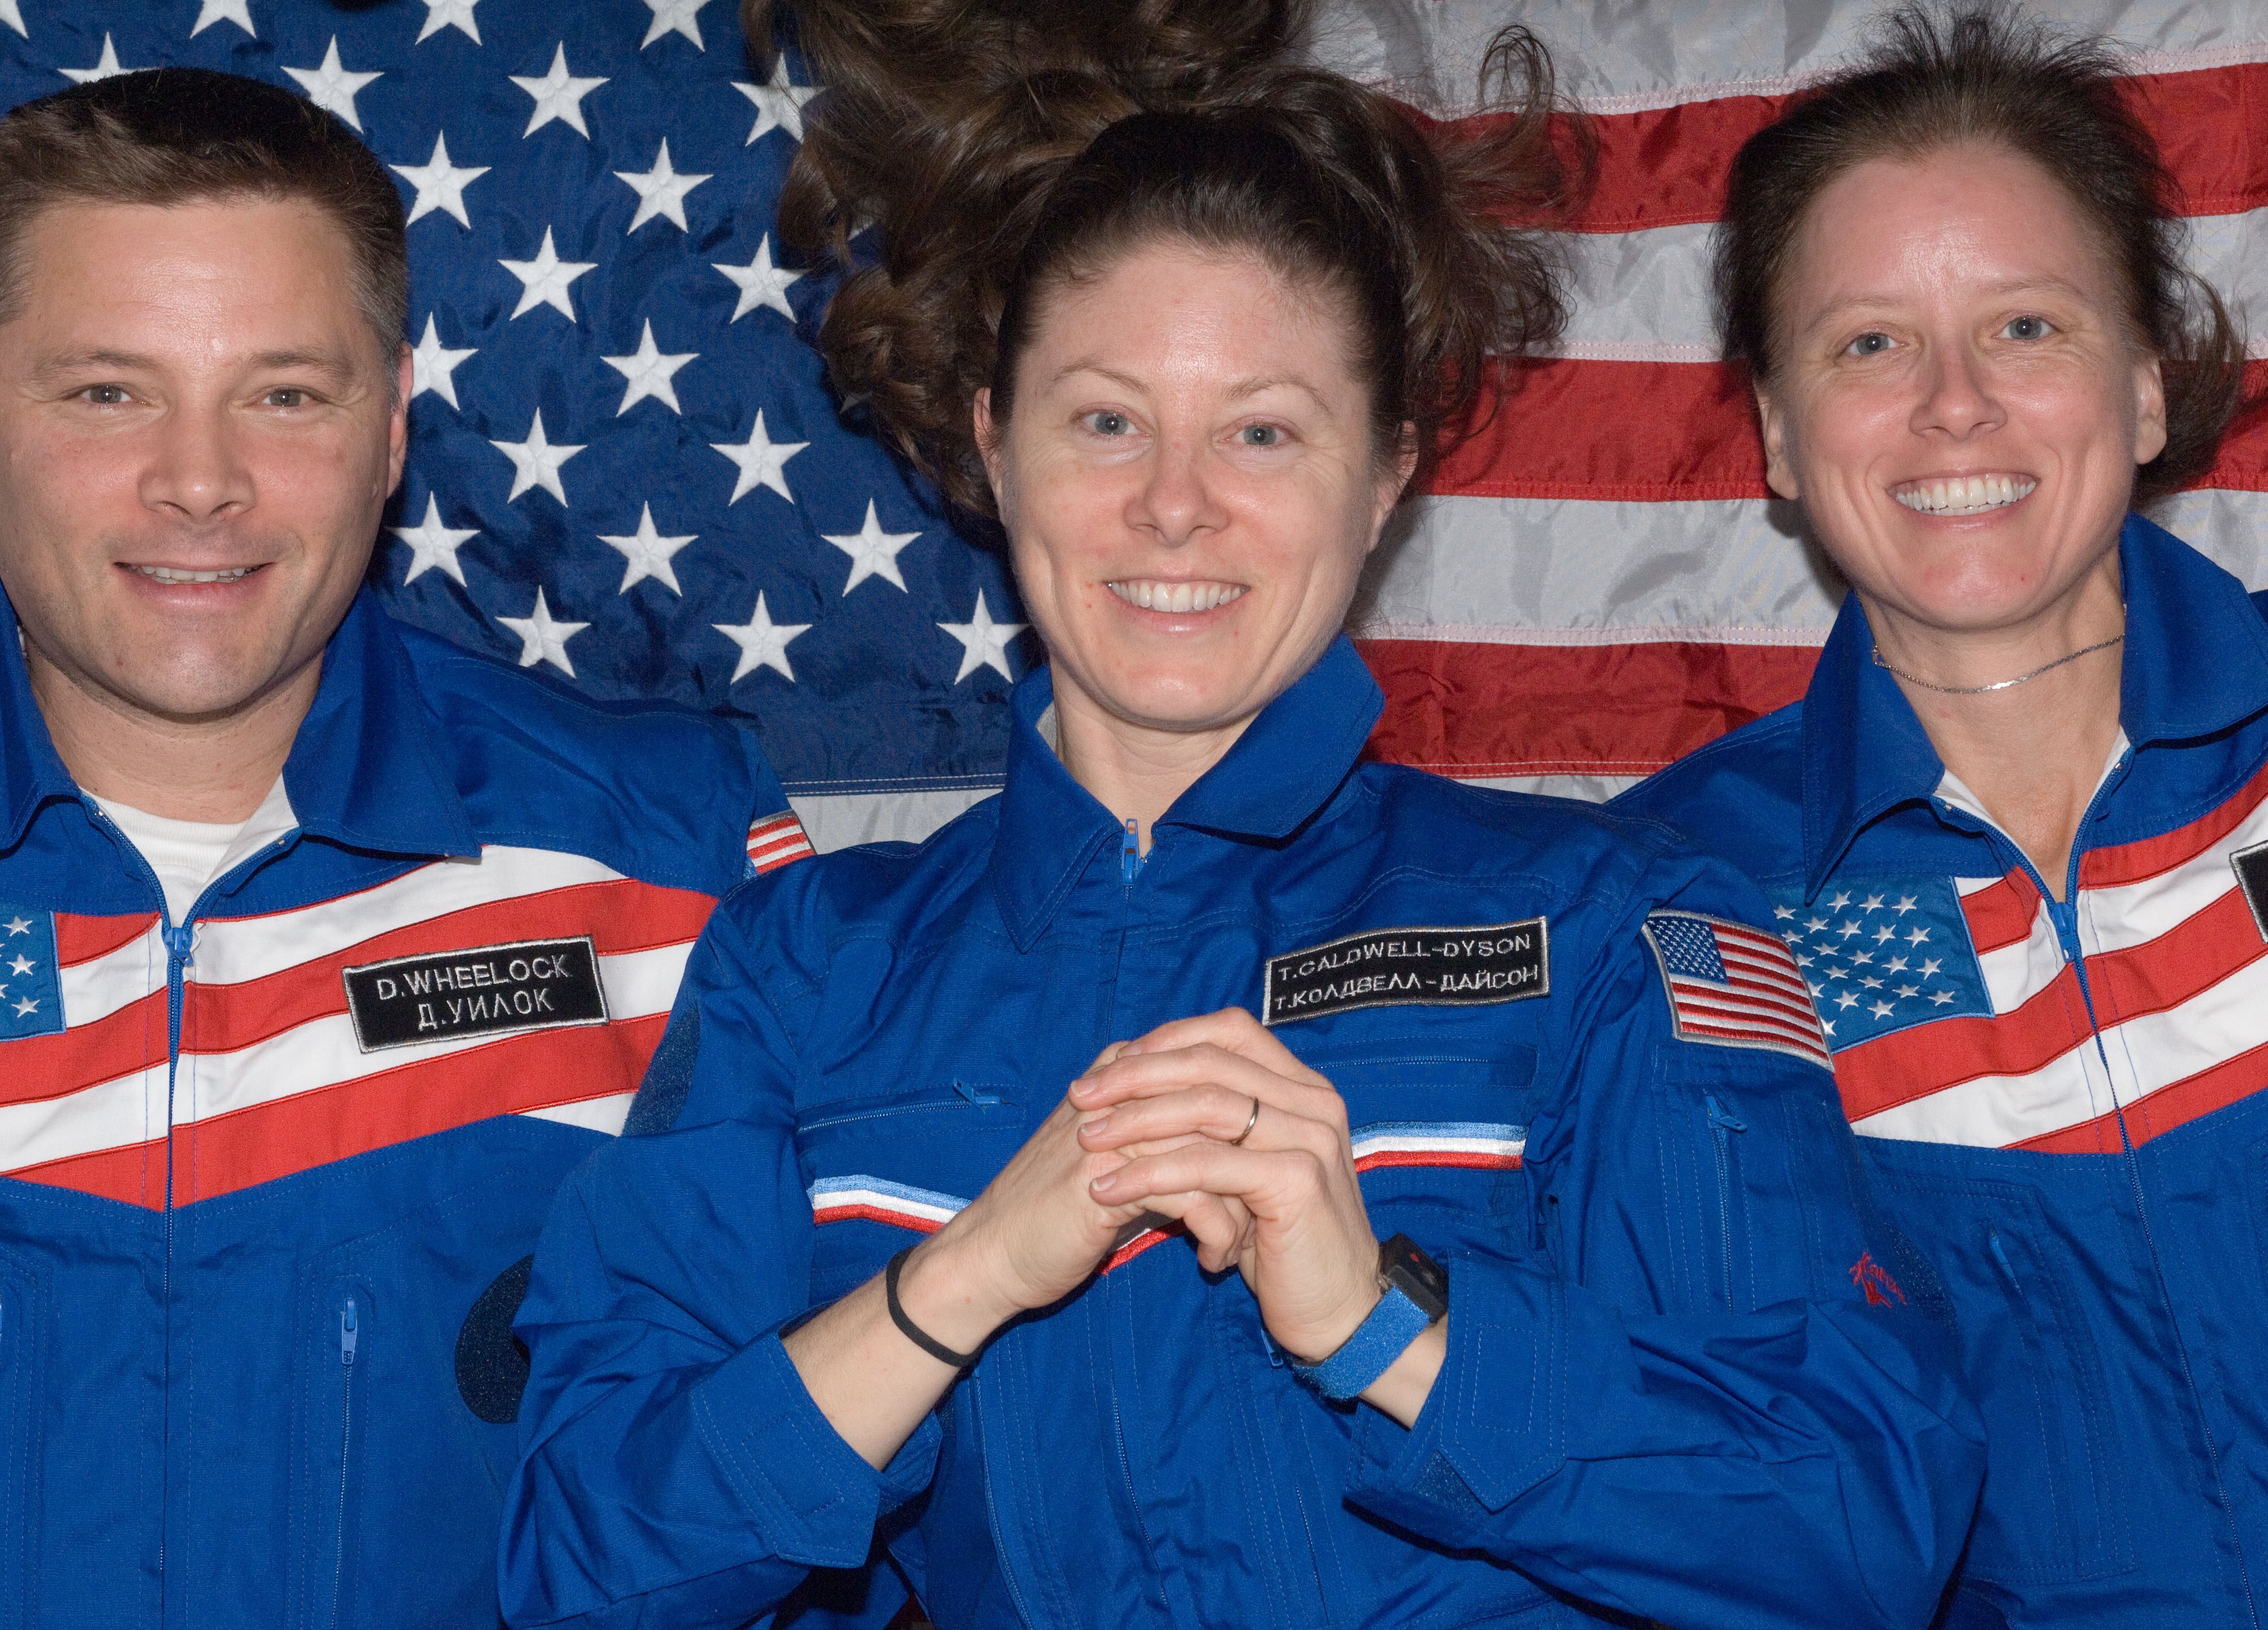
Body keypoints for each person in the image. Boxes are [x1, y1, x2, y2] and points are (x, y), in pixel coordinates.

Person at [498, 7, 1984, 1627]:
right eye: (1105, 420)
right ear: (997, 451)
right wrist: (966, 1274)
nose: (1176, 504)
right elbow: (587, 1567)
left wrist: (1389, 1321)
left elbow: (1856, 1523)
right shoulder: (809, 972)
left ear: (1385, 477)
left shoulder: (1615, 926)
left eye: (1264, 430)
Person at [0, 68, 810, 1630]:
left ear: (391, 423)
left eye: (283, 392)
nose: (199, 481)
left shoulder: (670, 872)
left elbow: (792, 1494)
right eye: (106, 391)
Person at [1615, 8, 2267, 1625]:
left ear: (2141, 386)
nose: (1955, 405)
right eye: (1869, 343)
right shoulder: (1673, 901)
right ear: (1776, 433)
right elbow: (1705, 1462)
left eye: (2029, 327)